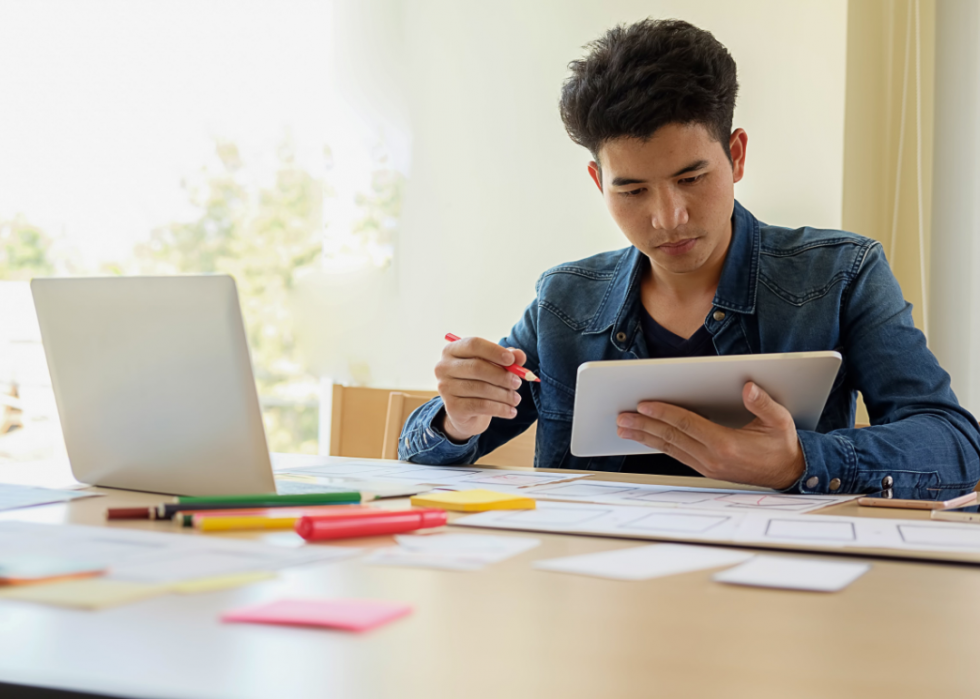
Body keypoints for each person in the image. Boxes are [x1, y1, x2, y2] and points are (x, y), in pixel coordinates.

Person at [398, 18, 980, 496]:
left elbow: (956, 444)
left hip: (775, 596)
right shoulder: (567, 301)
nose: (667, 216)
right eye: (631, 191)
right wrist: (459, 418)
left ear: (736, 155)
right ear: (598, 181)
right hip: (595, 589)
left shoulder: (840, 274)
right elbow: (424, 453)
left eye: (691, 177)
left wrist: (801, 459)